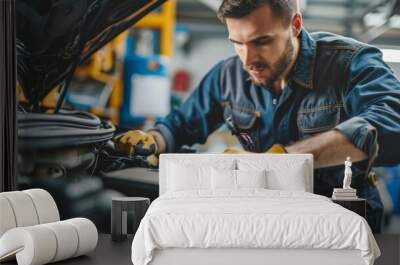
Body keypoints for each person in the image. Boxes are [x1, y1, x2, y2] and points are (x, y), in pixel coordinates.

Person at [113, 0, 400, 233]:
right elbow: (180, 126)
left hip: (345, 219)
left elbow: (391, 122)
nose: (248, 59)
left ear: (295, 25)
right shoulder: (227, 76)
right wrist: (154, 140)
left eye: (261, 41)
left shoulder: (350, 62)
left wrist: (284, 159)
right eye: (237, 42)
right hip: (264, 219)